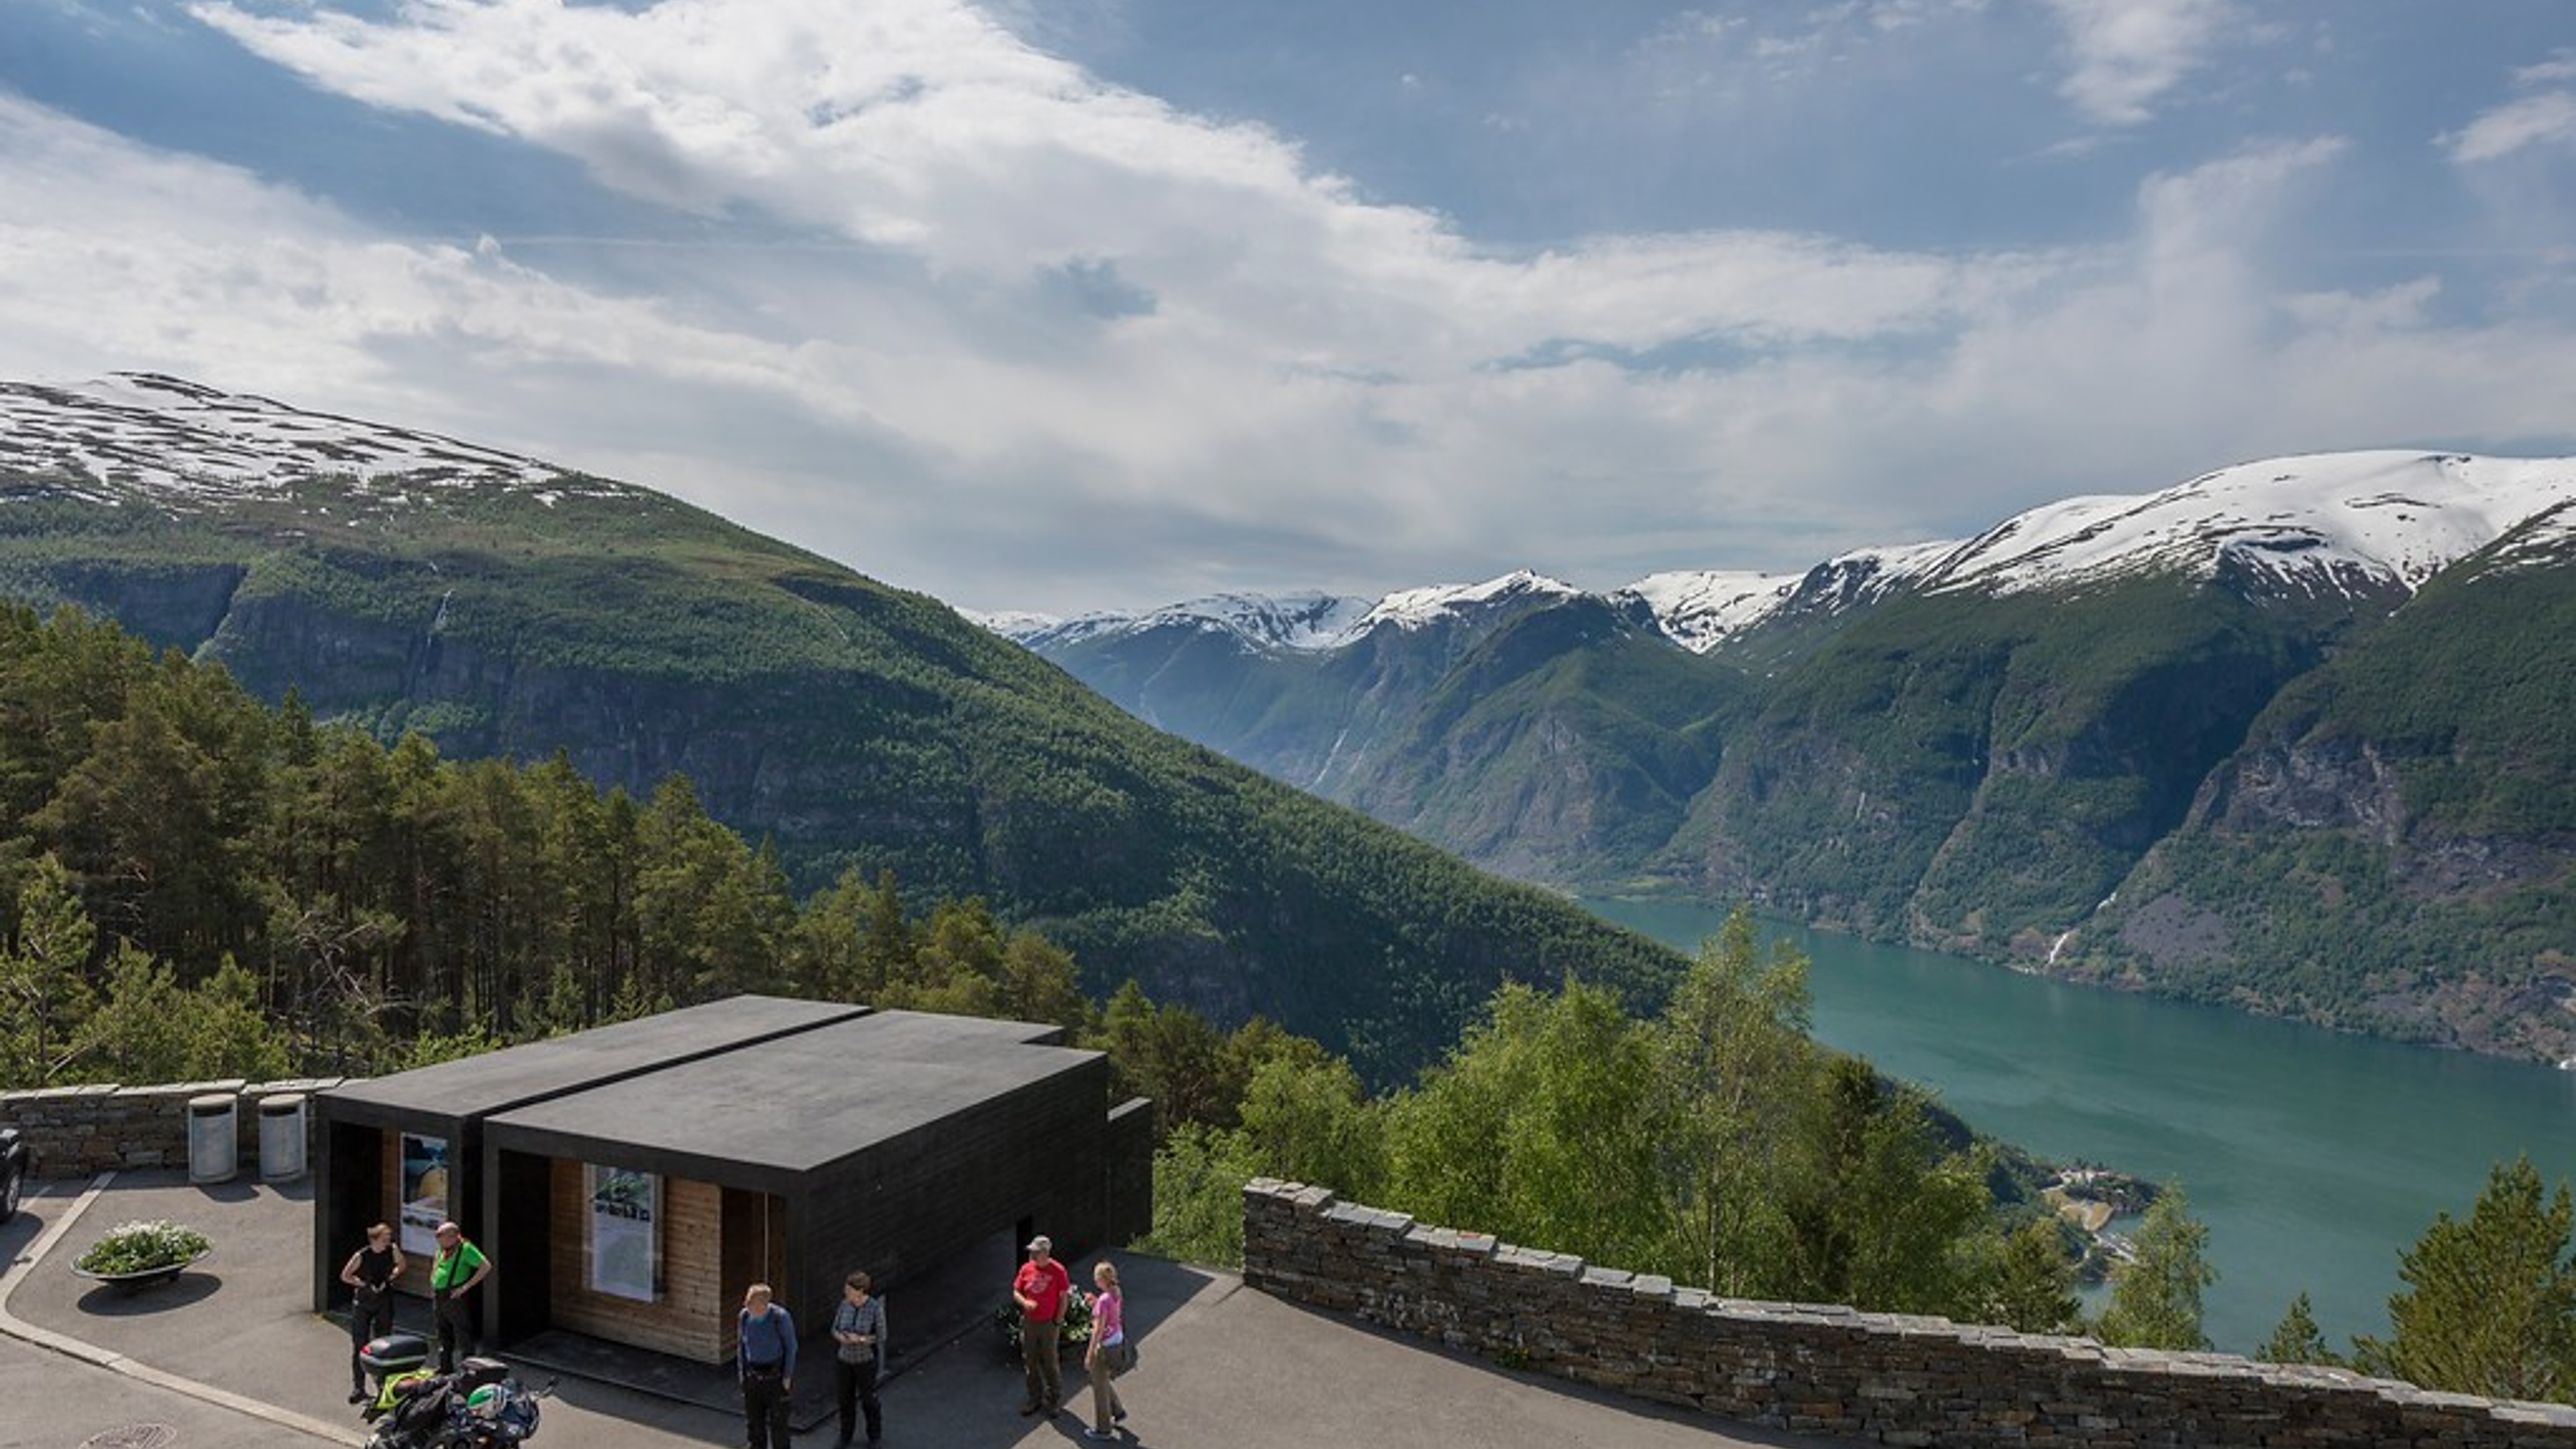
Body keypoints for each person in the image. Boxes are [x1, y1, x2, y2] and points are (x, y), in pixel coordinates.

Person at [339, 1220, 407, 1402]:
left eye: (389, 1238)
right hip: (364, 1301)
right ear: (375, 1239)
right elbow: (345, 1275)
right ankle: (359, 1387)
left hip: (384, 1300)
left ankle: (383, 1385)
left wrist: (392, 1276)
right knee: (360, 1344)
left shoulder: (392, 1250)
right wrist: (362, 1284)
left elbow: (401, 1265)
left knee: (384, 1343)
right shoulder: (362, 1255)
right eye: (385, 1238)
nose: (389, 1241)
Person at [1012, 1234, 1073, 1417]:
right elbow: (1016, 1291)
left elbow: (1063, 1299)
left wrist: (1058, 1321)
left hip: (1049, 1324)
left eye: (1035, 1252)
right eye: (1031, 1252)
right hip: (1030, 1323)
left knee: (1050, 1363)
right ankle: (1034, 1399)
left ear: (1045, 1253)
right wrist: (1025, 1303)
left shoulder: (1058, 1271)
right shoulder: (1026, 1269)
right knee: (1030, 1362)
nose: (1031, 1255)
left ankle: (1053, 1400)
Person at [829, 1269, 887, 1448]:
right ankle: (845, 1436)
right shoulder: (844, 1305)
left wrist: (861, 1339)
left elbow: (881, 1335)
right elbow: (834, 1328)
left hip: (865, 1361)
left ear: (860, 1290)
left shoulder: (874, 1308)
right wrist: (841, 1337)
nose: (846, 1292)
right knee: (845, 1400)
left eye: (849, 1289)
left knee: (869, 1400)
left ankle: (874, 1435)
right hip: (844, 1360)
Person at [737, 1282, 798, 1449]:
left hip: (775, 1378)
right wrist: (742, 1375)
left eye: (750, 1302)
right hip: (753, 1378)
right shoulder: (744, 1316)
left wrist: (787, 1377)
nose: (746, 1305)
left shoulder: (780, 1317)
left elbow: (791, 1347)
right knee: (754, 1426)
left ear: (763, 1304)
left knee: (779, 1426)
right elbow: (741, 1346)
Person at [427, 1221, 491, 1374]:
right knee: (442, 1332)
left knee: (463, 1334)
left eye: (439, 1235)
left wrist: (465, 1287)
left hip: (453, 1295)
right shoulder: (443, 1248)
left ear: (452, 1236)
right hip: (439, 1295)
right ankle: (445, 1367)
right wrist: (433, 1280)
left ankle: (467, 1369)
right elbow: (436, 1262)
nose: (437, 1238)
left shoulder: (465, 1249)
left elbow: (486, 1266)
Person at [1081, 1259, 1132, 1440]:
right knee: (1102, 1380)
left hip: (1104, 1347)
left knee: (1099, 1386)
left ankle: (1103, 1429)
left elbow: (1098, 1328)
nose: (1095, 1282)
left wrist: (1089, 1353)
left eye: (1097, 1278)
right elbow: (1111, 1314)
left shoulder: (1104, 1299)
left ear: (1103, 1279)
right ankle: (1118, 1412)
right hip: (1116, 1342)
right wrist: (1095, 1303)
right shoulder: (1115, 1292)